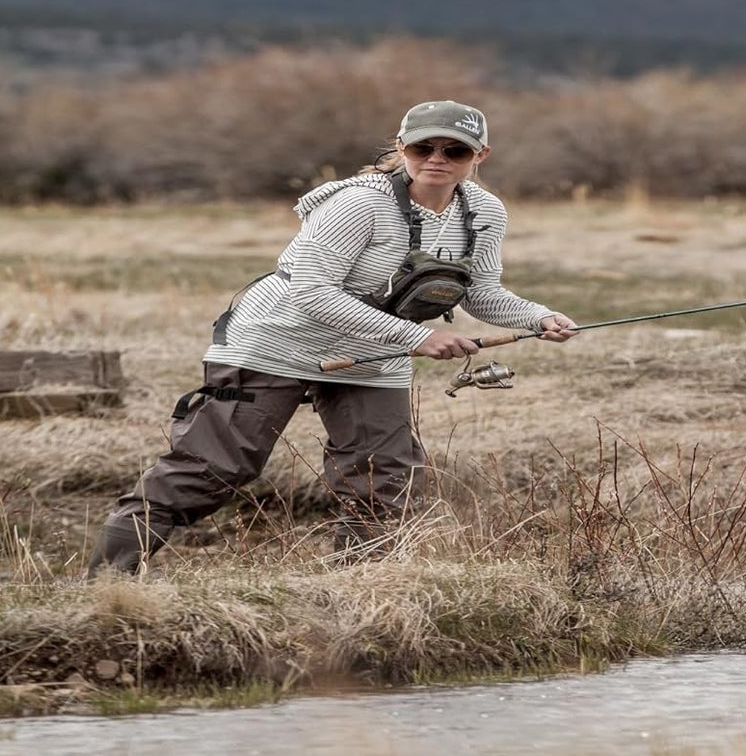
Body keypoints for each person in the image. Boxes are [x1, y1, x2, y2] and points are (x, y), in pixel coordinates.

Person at [88, 100, 574, 573]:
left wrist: (538, 317)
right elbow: (311, 291)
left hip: (373, 353)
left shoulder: (485, 211)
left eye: (456, 151)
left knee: (384, 478)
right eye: (424, 148)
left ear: (480, 156)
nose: (437, 160)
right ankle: (107, 588)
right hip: (275, 340)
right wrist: (414, 338)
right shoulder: (359, 203)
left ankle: (358, 592)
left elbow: (481, 292)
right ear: (402, 147)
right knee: (212, 471)